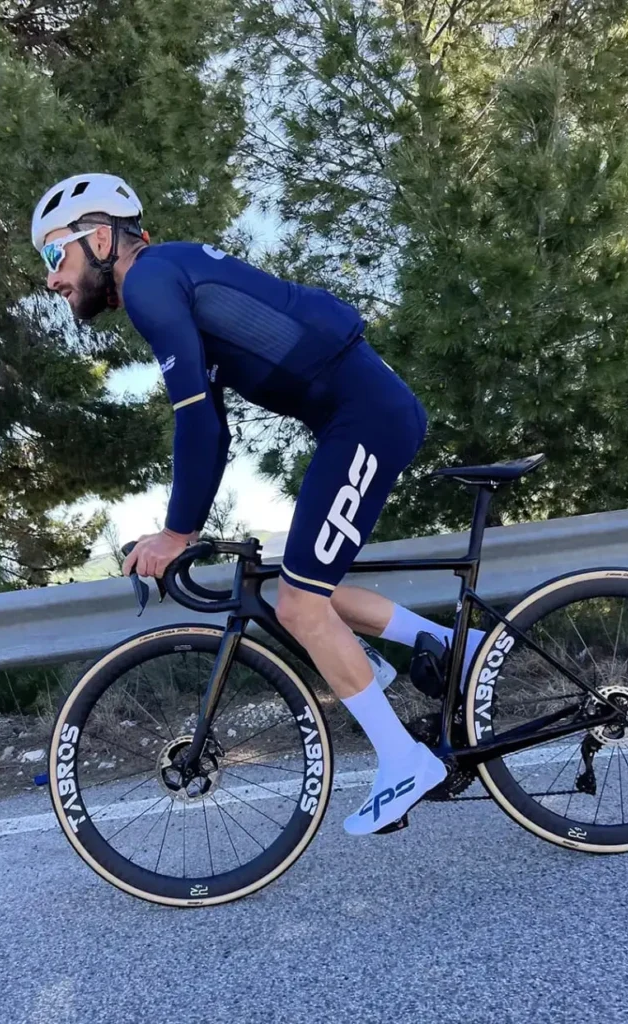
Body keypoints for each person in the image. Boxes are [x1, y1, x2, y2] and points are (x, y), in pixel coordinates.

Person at [31, 172, 486, 834]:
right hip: (358, 417)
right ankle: (455, 648)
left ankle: (402, 761)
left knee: (300, 605)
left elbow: (194, 420)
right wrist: (181, 528)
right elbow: (212, 430)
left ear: (100, 240)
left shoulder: (151, 280)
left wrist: (176, 534)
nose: (51, 279)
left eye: (54, 254)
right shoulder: (169, 278)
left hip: (365, 417)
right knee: (297, 590)